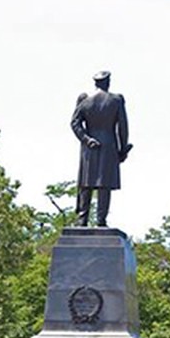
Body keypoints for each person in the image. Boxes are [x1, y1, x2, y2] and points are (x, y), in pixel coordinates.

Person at [71, 70, 130, 227]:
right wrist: (122, 149)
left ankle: (82, 219)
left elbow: (75, 123)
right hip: (109, 145)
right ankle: (100, 220)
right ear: (107, 82)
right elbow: (122, 128)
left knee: (86, 183)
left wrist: (86, 139)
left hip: (89, 148)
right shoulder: (116, 100)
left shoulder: (85, 100)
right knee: (104, 184)